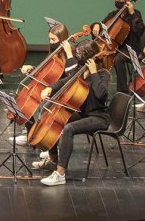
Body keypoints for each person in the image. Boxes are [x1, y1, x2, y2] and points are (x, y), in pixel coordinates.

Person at [37, 39, 110, 186]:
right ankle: (53, 158)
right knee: (55, 117)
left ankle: (60, 174)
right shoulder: (81, 70)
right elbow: (65, 81)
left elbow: (101, 94)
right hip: (84, 113)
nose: (77, 56)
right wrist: (50, 88)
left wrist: (94, 73)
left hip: (99, 117)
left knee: (69, 128)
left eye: (79, 54)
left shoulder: (103, 74)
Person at [13, 23, 70, 147]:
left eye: (54, 39)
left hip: (61, 91)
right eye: (49, 39)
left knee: (41, 104)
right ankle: (30, 133)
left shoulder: (68, 55)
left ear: (63, 39)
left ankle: (42, 138)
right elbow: (46, 72)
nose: (51, 42)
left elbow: (69, 77)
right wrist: (32, 69)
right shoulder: (54, 54)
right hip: (48, 88)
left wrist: (69, 54)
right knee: (24, 103)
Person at [101, 0, 145, 94]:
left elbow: (139, 31)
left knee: (118, 59)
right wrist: (96, 26)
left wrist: (132, 13)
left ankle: (122, 91)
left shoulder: (136, 14)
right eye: (115, 0)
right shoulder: (114, 14)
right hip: (116, 47)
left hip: (130, 48)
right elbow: (102, 24)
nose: (117, 2)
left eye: (119, 0)